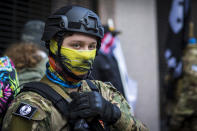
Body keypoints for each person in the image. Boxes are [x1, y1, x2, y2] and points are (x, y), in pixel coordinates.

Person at [2, 5, 148, 131]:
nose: (85, 54)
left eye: (91, 46)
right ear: (54, 45)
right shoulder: (32, 105)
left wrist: (114, 115)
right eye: (76, 45)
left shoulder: (105, 93)